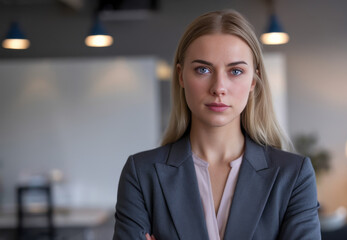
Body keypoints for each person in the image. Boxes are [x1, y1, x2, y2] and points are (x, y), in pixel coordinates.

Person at [113, 9, 320, 240]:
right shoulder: (141, 174)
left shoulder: (294, 176)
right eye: (203, 69)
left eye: (236, 71)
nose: (219, 87)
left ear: (253, 80)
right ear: (181, 76)